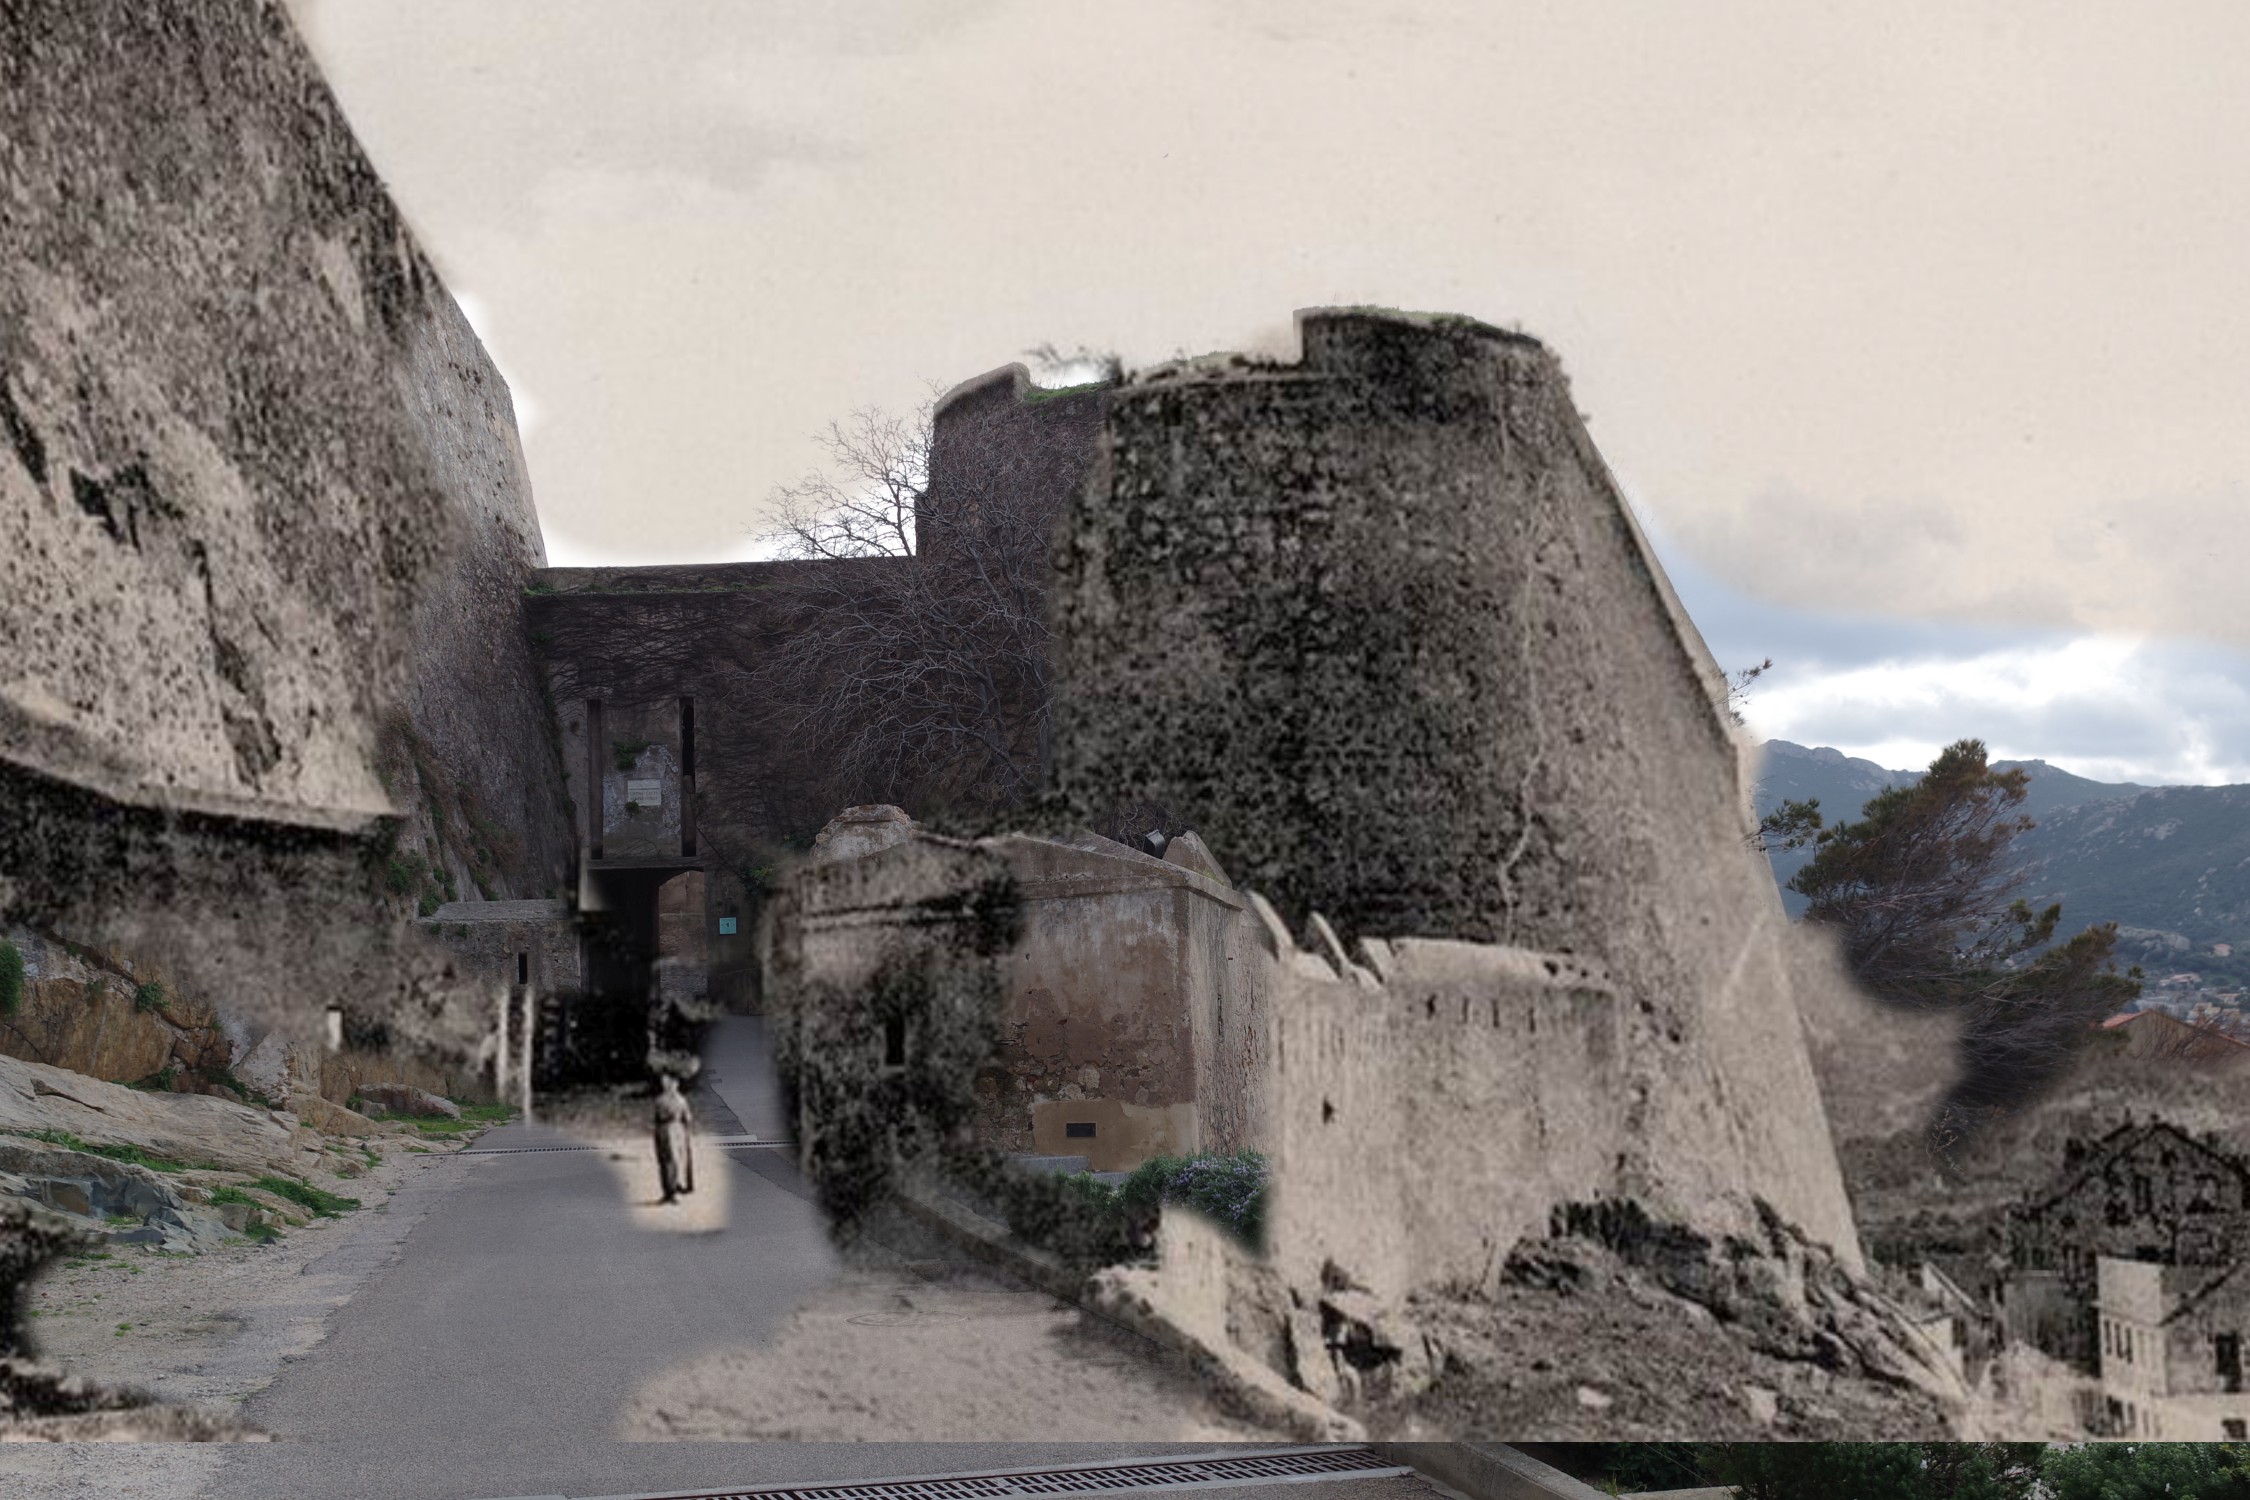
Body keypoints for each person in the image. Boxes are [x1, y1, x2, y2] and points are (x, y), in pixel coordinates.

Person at [653, 1072, 694, 1204]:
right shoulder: (679, 1099)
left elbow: (659, 1117)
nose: (666, 1085)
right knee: (673, 1160)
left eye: (668, 1082)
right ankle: (673, 1188)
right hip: (674, 1129)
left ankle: (671, 1191)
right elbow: (688, 1118)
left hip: (668, 1129)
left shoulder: (663, 1100)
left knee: (670, 1160)